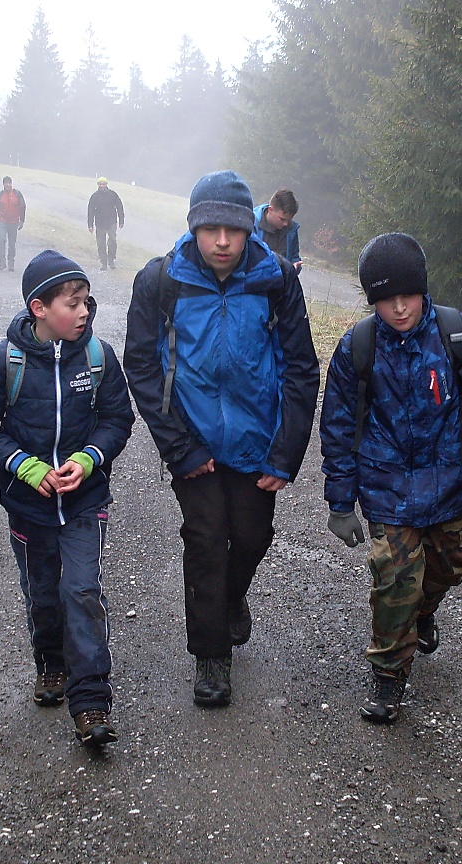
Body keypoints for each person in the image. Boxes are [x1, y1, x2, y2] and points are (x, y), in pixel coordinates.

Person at [319, 233, 462, 725]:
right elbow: (338, 428)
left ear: (423, 290)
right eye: (386, 299)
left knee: (447, 566)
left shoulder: (457, 335)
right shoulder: (358, 347)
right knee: (395, 578)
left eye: (407, 296)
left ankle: (421, 612)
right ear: (372, 300)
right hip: (386, 489)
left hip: (448, 484)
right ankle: (389, 676)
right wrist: (340, 502)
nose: (399, 308)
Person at [124, 171, 319, 708]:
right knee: (207, 538)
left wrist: (286, 453)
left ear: (249, 227)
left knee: (253, 538)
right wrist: (178, 446)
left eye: (233, 230)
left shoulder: (276, 279)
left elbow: (301, 368)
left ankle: (232, 599)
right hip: (195, 440)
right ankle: (211, 656)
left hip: (258, 440)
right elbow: (141, 365)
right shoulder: (161, 280)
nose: (223, 242)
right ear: (194, 228)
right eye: (211, 230)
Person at [0, 249, 134, 747]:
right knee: (43, 594)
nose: (83, 312)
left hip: (85, 502)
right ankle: (51, 661)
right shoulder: (4, 361)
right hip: (28, 506)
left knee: (81, 590)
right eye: (72, 304)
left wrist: (89, 458)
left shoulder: (99, 357)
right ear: (39, 308)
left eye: (86, 302)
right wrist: (24, 465)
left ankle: (91, 701)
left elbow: (117, 419)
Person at [253, 188, 302, 272]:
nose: (286, 224)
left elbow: (294, 257)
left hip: (281, 279)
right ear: (270, 210)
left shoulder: (291, 230)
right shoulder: (251, 224)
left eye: (289, 220)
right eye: (282, 219)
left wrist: (294, 268)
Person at [87, 177, 125, 271]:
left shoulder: (113, 194)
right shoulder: (94, 196)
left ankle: (111, 260)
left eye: (103, 184)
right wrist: (90, 225)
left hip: (111, 222)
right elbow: (90, 210)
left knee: (112, 240)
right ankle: (103, 262)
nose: (102, 186)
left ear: (106, 184)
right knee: (101, 243)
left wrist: (121, 220)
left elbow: (119, 207)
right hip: (100, 223)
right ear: (98, 185)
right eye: (100, 184)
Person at [0, 176, 26, 272]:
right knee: (1, 241)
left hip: (14, 222)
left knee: (12, 244)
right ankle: (2, 263)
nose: (7, 185)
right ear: (3, 184)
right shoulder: (0, 195)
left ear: (11, 184)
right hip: (2, 221)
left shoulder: (17, 194)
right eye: (6, 183)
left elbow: (22, 207)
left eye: (9, 183)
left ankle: (11, 264)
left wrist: (22, 221)